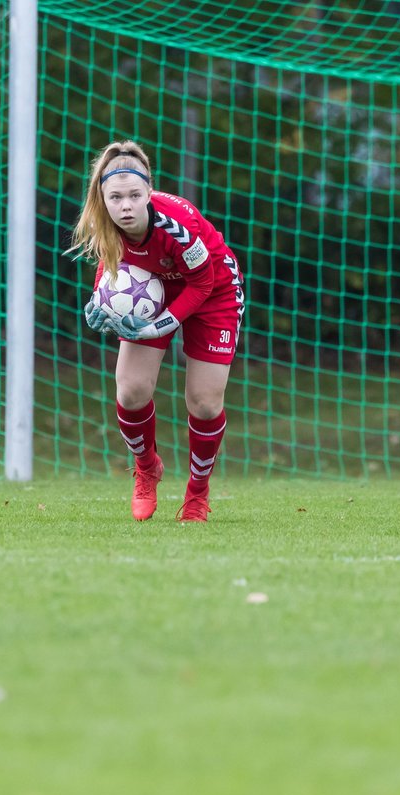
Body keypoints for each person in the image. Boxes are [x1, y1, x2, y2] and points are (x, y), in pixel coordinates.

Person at [70, 141, 244, 522]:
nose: (126, 205)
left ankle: (197, 493)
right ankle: (146, 468)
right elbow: (111, 266)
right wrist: (99, 303)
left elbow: (201, 283)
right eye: (116, 197)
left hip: (213, 289)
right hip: (152, 288)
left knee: (204, 401)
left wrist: (159, 326)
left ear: (150, 191)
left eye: (135, 195)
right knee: (130, 390)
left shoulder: (178, 224)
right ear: (103, 196)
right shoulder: (107, 222)